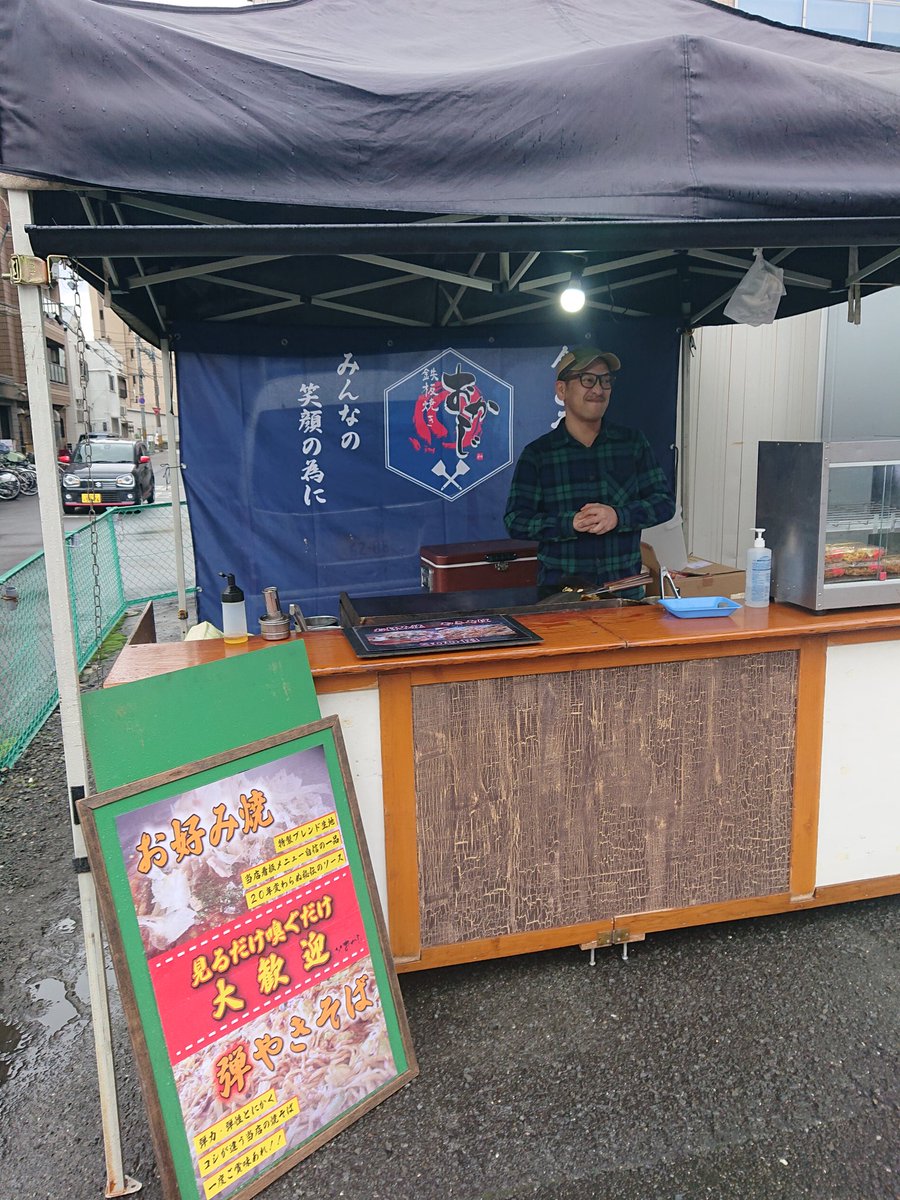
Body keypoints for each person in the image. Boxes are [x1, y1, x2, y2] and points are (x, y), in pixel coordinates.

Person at [504, 347, 675, 593]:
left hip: (624, 593)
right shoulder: (539, 454)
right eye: (587, 380)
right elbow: (515, 520)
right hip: (561, 596)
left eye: (605, 381)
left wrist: (619, 516)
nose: (598, 390)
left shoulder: (632, 444)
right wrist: (569, 523)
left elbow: (664, 503)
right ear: (562, 390)